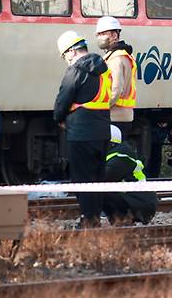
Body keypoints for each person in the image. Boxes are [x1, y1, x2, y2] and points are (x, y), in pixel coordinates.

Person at [53, 31, 111, 227]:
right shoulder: (104, 69)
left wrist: (59, 118)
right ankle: (94, 217)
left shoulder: (76, 70)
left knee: (82, 178)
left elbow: (64, 98)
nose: (66, 59)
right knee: (97, 177)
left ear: (71, 51)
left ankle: (89, 219)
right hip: (103, 129)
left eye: (65, 55)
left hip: (81, 131)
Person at [102, 125, 158, 224]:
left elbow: (103, 178)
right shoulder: (118, 154)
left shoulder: (120, 157)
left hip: (140, 203)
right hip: (138, 200)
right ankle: (121, 219)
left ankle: (122, 219)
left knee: (99, 191)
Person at [95, 16, 136, 139]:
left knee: (110, 154)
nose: (99, 37)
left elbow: (115, 89)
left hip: (115, 116)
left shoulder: (116, 58)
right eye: (98, 34)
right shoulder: (123, 55)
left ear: (114, 35)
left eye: (103, 33)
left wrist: (100, 109)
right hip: (123, 116)